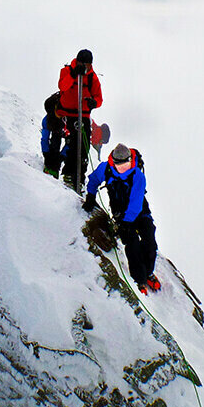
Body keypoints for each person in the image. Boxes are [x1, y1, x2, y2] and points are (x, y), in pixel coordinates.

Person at [82, 143, 161, 295]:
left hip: (139, 212)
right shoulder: (106, 169)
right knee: (132, 244)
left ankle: (148, 272)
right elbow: (93, 179)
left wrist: (127, 222)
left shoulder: (137, 175)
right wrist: (91, 195)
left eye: (127, 165)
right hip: (120, 213)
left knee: (150, 240)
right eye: (121, 166)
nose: (124, 169)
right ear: (114, 163)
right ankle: (139, 279)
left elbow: (136, 203)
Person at [56, 49, 103, 190]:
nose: (84, 67)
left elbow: (99, 98)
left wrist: (94, 103)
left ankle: (80, 177)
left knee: (83, 146)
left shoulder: (92, 78)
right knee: (73, 143)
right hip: (68, 113)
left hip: (84, 114)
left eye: (87, 65)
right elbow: (62, 86)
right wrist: (73, 74)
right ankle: (69, 174)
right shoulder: (67, 71)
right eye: (82, 64)